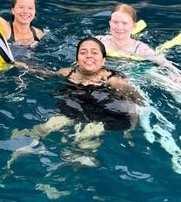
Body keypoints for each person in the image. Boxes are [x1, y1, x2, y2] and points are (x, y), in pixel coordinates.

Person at [10, 37, 144, 167]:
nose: (89, 56)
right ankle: (22, 150)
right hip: (74, 108)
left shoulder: (113, 80)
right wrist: (24, 67)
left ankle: (76, 167)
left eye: (94, 52)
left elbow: (135, 101)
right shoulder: (68, 73)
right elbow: (45, 74)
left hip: (103, 115)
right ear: (77, 59)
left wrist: (131, 127)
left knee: (85, 137)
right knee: (47, 126)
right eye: (83, 52)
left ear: (103, 60)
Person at [97, 3, 181, 84]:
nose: (119, 27)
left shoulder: (141, 49)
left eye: (124, 23)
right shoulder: (99, 41)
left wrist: (176, 75)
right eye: (115, 22)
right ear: (110, 23)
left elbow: (164, 62)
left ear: (134, 26)